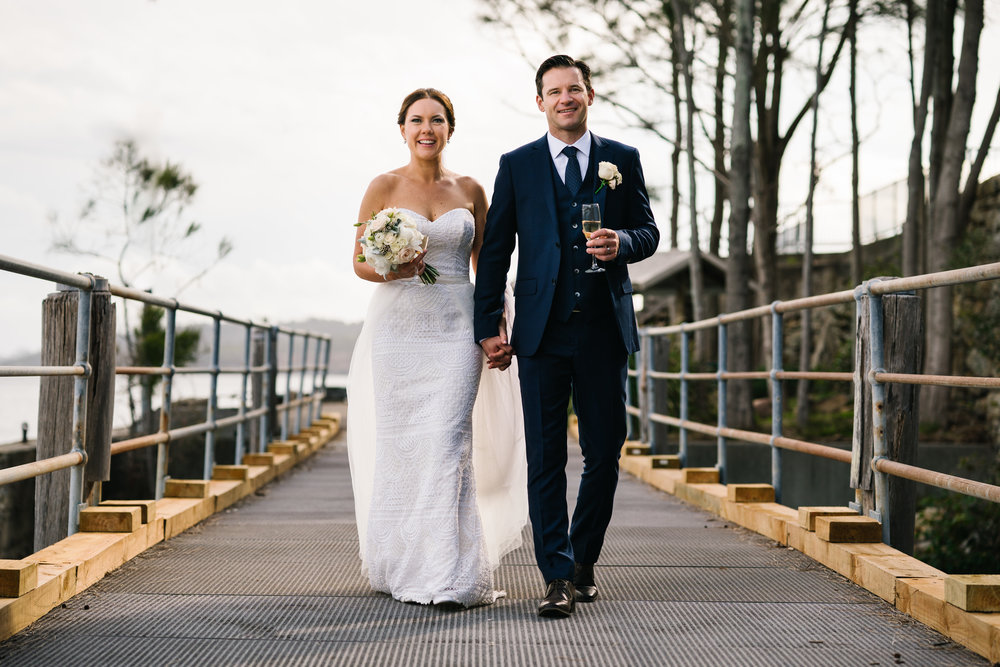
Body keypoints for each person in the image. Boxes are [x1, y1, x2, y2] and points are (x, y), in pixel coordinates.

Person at [473, 55, 660, 618]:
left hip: (604, 329)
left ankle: (584, 560)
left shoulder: (621, 160)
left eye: (573, 88)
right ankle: (555, 573)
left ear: (590, 94)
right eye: (553, 91)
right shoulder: (517, 165)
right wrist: (489, 326)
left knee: (605, 450)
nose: (565, 98)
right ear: (540, 102)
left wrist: (622, 244)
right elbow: (497, 252)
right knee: (546, 456)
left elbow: (648, 232)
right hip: (541, 333)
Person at [347, 88, 527, 608]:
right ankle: (403, 561)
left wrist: (494, 328)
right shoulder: (381, 186)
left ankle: (450, 571)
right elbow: (358, 262)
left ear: (451, 128)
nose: (427, 129)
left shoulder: (470, 189)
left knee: (449, 442)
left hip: (455, 327)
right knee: (405, 446)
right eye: (417, 120)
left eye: (438, 120)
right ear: (401, 128)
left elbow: (487, 268)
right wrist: (393, 265)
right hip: (399, 330)